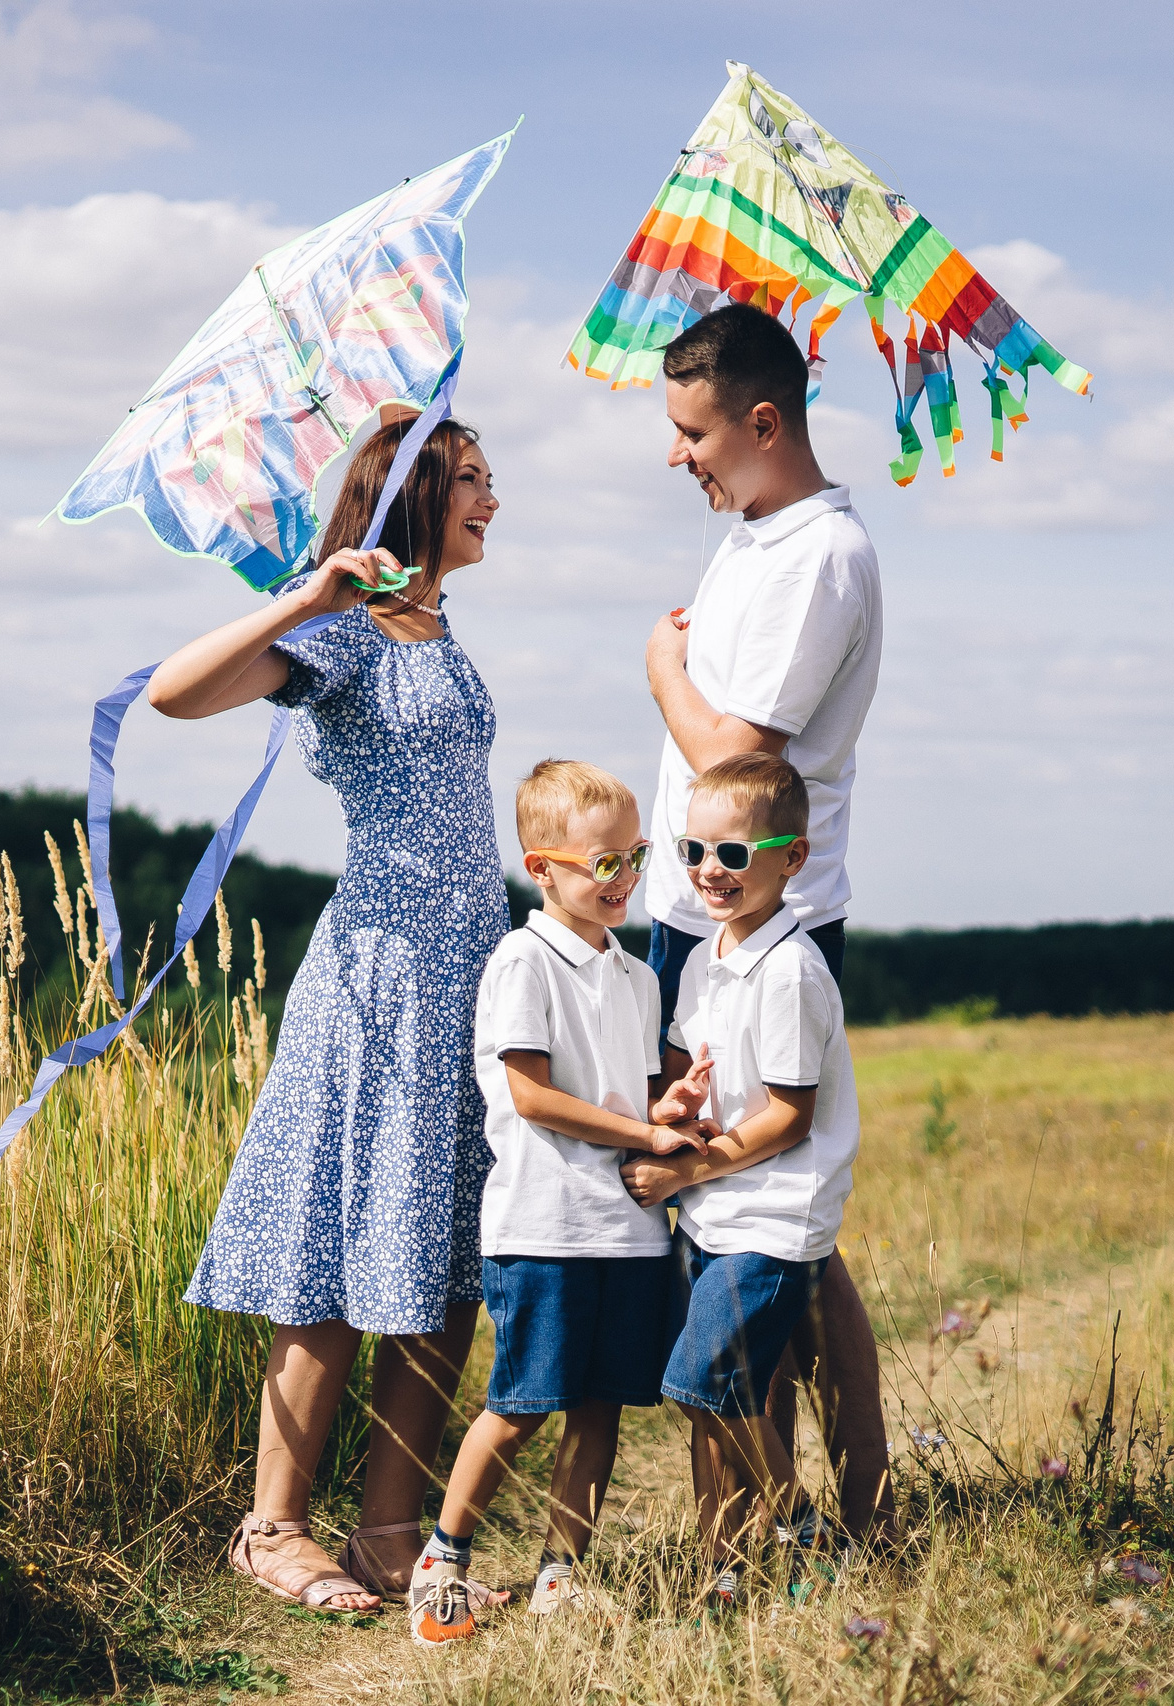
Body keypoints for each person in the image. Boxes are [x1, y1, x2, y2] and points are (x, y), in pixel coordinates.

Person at [148, 410, 504, 1612]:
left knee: (445, 1253)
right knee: (335, 1250)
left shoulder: (440, 628)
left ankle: (389, 1532)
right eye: (467, 480)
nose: (489, 500)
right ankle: (271, 1526)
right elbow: (172, 694)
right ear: (405, 494)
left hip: (471, 966)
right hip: (382, 975)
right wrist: (308, 595)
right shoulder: (346, 630)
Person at [638, 302, 890, 1541]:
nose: (676, 455)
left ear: (762, 419)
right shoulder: (746, 533)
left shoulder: (820, 558)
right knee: (741, 1218)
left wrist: (661, 672)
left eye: (692, 432)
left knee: (782, 1224)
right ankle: (765, 1503)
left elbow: (735, 760)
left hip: (766, 908)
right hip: (698, 906)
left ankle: (838, 1498)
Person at [407, 759, 717, 1644]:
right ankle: (443, 1560)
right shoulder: (521, 960)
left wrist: (671, 1107)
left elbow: (623, 1096)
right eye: (601, 863)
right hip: (544, 1224)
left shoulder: (639, 974)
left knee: (600, 1407)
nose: (623, 879)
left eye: (635, 857)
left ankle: (559, 1575)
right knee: (520, 1403)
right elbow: (534, 1096)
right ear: (542, 868)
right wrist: (645, 1138)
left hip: (628, 1233)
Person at [621, 753, 860, 1606]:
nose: (708, 872)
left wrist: (686, 1165)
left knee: (700, 1382)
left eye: (734, 854)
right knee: (720, 1392)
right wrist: (676, 1100)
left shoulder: (791, 972)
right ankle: (727, 1559)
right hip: (718, 1215)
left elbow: (789, 1115)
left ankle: (799, 1520)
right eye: (694, 850)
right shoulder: (704, 959)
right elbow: (690, 1070)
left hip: (772, 1215)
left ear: (793, 858)